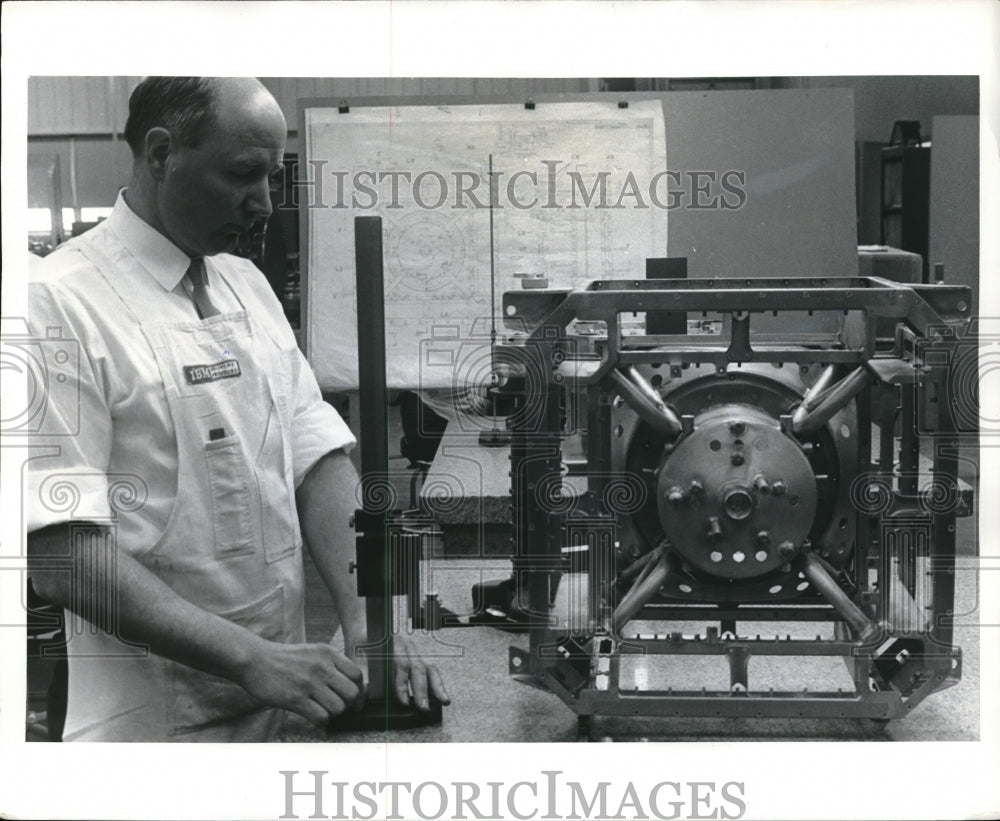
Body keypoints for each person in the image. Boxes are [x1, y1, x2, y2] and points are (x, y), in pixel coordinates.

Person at [26, 76, 449, 742]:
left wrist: (369, 620)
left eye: (273, 177)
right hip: (153, 732)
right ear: (162, 154)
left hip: (289, 704)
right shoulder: (57, 303)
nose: (263, 204)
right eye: (242, 175)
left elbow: (318, 460)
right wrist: (251, 658)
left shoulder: (244, 282)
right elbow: (61, 554)